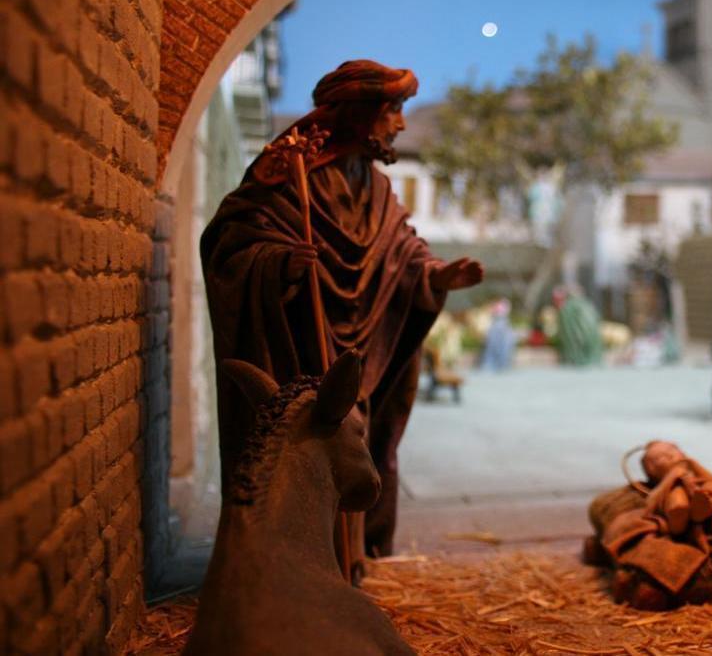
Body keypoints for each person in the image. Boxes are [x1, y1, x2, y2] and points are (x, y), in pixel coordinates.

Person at [200, 60, 483, 567]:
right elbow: (232, 245)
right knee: (306, 458)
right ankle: (300, 574)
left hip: (359, 361)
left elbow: (402, 252)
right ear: (358, 114)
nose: (399, 124)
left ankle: (351, 567)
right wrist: (280, 265)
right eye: (392, 110)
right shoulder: (289, 178)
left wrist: (437, 276)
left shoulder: (377, 189)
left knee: (358, 455)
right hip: (301, 353)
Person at [583, 441, 712, 611]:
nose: (670, 457)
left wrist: (696, 477)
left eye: (673, 451)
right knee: (674, 504)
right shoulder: (648, 489)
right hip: (673, 522)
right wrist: (672, 478)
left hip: (709, 510)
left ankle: (705, 507)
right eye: (660, 458)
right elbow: (651, 504)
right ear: (651, 471)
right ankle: (678, 518)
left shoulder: (698, 473)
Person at [552, 286, 603, 366]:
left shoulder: (568, 308)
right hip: (596, 350)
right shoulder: (588, 304)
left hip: (579, 352)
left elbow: (568, 333)